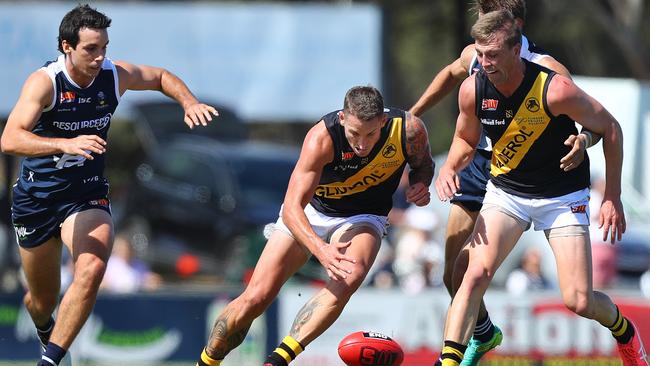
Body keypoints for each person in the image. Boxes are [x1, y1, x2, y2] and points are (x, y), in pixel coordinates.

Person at [0, 4, 217, 366]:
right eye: (91, 49)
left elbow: (161, 76)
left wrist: (188, 101)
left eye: (104, 47)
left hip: (85, 195)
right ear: (67, 47)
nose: (101, 57)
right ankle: (44, 329)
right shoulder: (46, 82)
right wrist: (64, 144)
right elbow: (9, 139)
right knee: (40, 301)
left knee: (92, 267)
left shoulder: (113, 76)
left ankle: (50, 360)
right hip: (36, 200)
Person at [434, 10, 646, 366]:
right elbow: (464, 137)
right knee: (468, 272)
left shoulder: (554, 87)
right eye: (480, 53)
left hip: (561, 198)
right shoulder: (473, 88)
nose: (484, 63)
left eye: (494, 55)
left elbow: (609, 128)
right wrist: (450, 166)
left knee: (578, 300)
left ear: (517, 51)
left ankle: (625, 332)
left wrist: (611, 195)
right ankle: (450, 362)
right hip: (508, 194)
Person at [410, 1, 599, 364]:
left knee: (574, 294)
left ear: (516, 28)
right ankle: (483, 333)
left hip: (531, 174)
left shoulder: (548, 69)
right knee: (456, 272)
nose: (484, 30)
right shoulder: (478, 54)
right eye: (481, 21)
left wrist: (583, 141)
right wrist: (412, 115)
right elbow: (451, 76)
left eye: (493, 22)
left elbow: (587, 118)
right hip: (480, 162)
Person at [195, 85, 434, 366]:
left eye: (370, 134)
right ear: (343, 119)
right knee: (255, 298)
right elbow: (293, 207)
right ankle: (207, 362)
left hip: (363, 215)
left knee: (351, 275)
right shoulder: (322, 137)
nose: (361, 144)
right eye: (355, 134)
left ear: (383, 121)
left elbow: (424, 164)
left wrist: (421, 183)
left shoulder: (408, 130)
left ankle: (277, 361)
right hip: (310, 212)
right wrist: (320, 249)